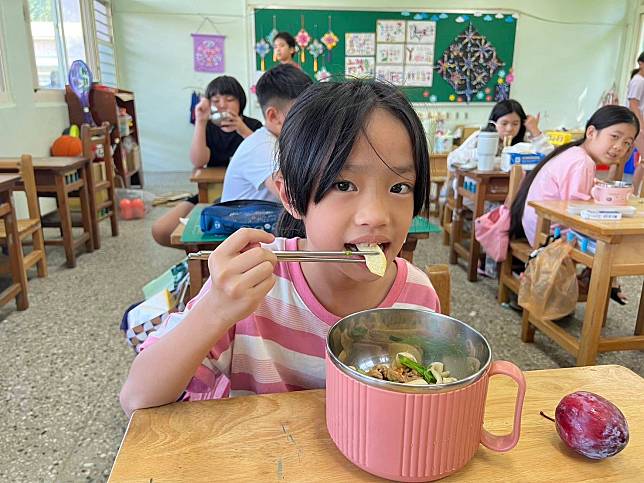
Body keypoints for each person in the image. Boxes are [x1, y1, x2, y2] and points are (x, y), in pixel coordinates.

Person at [120, 80, 440, 415]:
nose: (375, 216)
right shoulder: (253, 286)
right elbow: (137, 398)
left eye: (400, 186)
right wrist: (215, 308)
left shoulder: (417, 296)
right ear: (290, 196)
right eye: (343, 184)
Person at [509, 105, 639, 304]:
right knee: (619, 246)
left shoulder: (575, 153)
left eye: (627, 143)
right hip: (550, 236)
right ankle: (606, 284)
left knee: (615, 239)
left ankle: (601, 281)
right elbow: (575, 215)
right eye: (614, 137)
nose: (619, 147)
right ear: (591, 132)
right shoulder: (581, 162)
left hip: (539, 227)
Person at [151, 76, 262, 247]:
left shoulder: (253, 126)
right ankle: (201, 254)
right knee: (161, 230)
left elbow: (265, 154)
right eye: (215, 100)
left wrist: (242, 129)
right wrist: (200, 122)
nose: (222, 105)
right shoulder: (207, 127)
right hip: (209, 192)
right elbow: (198, 161)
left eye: (229, 99)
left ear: (241, 101)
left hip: (244, 196)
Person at [221, 64, 312, 203]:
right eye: (302, 112)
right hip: (239, 224)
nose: (311, 119)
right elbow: (295, 200)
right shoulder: (262, 146)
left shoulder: (282, 142)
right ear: (273, 116)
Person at [625, 52, 644, 194]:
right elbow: (633, 104)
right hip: (636, 124)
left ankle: (634, 193)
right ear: (641, 63)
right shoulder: (638, 81)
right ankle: (635, 194)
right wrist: (641, 125)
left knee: (622, 158)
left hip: (637, 124)